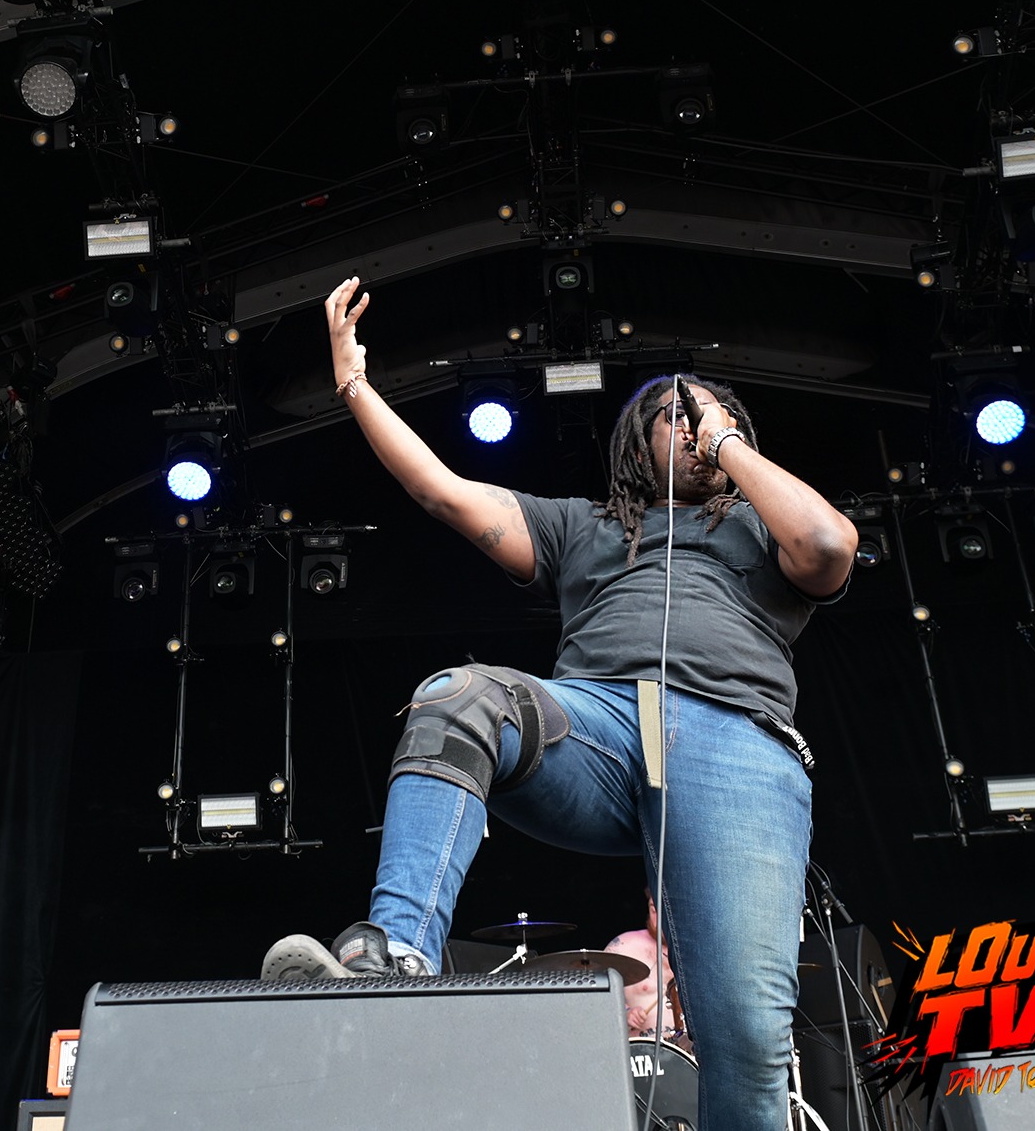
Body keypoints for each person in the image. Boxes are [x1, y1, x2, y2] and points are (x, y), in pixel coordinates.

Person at [263, 276, 856, 1130]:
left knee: (747, 1043)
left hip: (736, 746)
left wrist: (723, 440)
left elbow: (829, 545)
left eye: (714, 418)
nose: (697, 427)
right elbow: (441, 490)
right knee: (459, 697)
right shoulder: (584, 525)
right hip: (598, 729)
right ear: (636, 443)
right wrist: (353, 383)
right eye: (677, 418)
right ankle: (395, 963)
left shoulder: (763, 528)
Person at [608, 889, 682, 1043]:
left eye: (664, 911)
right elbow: (598, 997)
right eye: (654, 910)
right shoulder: (625, 946)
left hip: (690, 1050)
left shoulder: (697, 951)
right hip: (642, 1050)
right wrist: (624, 1013)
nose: (659, 920)